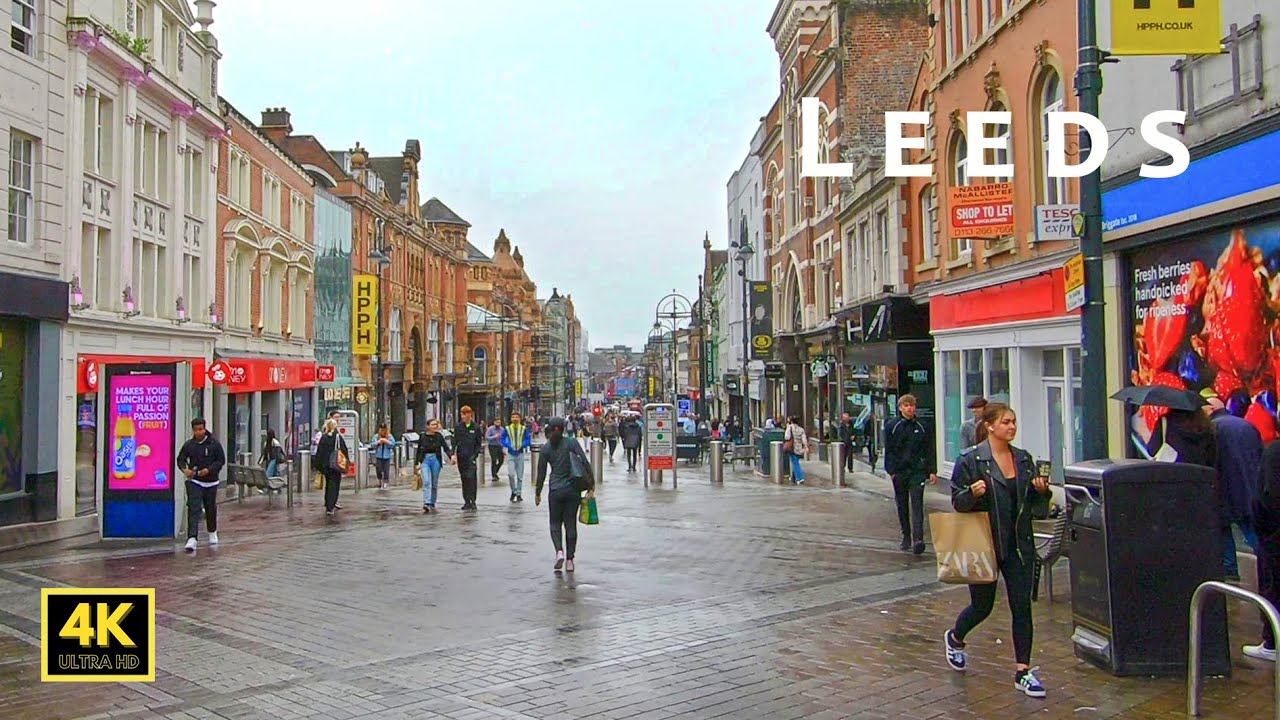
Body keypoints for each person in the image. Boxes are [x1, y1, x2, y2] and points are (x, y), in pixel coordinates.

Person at [944, 402, 1052, 698]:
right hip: (983, 543)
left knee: (1022, 608)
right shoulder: (970, 460)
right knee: (982, 607)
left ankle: (1023, 671)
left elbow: (1035, 509)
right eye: (1006, 422)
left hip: (1018, 546)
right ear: (990, 425)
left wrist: (1042, 492)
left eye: (1014, 422)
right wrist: (972, 493)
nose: (1012, 427)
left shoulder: (1024, 460)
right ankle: (955, 637)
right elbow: (957, 502)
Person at [1207, 394, 1264, 581]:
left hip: (1228, 488)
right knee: (1253, 529)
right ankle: (1264, 563)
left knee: (1225, 528)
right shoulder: (1245, 425)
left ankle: (1230, 569)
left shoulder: (1214, 429)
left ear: (1211, 410)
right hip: (1252, 484)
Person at [535, 417, 595, 572]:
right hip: (573, 490)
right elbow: (585, 463)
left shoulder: (546, 448)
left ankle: (559, 551)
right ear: (563, 428)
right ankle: (570, 560)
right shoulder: (572, 443)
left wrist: (538, 492)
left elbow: (541, 473)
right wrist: (591, 485)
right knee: (570, 524)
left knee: (555, 523)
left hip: (555, 490)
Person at [884, 394, 938, 554]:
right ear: (900, 408)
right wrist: (891, 470)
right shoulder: (892, 426)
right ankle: (906, 535)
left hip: (917, 471)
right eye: (906, 405)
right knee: (902, 504)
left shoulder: (923, 425)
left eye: (912, 405)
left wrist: (931, 470)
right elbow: (889, 449)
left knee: (917, 504)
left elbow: (929, 449)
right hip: (900, 471)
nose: (910, 408)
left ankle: (918, 538)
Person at [1246, 437, 1280, 661]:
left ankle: (1272, 641)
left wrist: (1263, 530)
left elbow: (1267, 497)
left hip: (1274, 535)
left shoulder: (1274, 452)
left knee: (1273, 586)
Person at [177, 418, 226, 553]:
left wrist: (209, 470)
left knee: (210, 508)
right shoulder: (189, 445)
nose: (199, 432)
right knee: (193, 507)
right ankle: (192, 537)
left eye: (201, 429)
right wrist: (185, 469)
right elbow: (180, 459)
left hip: (211, 481)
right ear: (193, 430)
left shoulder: (214, 444)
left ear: (205, 429)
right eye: (196, 430)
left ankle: (212, 531)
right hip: (195, 481)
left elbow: (221, 460)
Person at [415, 418, 453, 513]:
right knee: (427, 481)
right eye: (432, 425)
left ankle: (432, 502)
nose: (434, 426)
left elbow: (445, 448)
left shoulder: (439, 436)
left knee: (434, 483)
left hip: (436, 459)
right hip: (425, 460)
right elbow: (419, 450)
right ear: (428, 426)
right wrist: (417, 463)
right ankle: (426, 502)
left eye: (435, 424)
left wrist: (451, 456)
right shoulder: (423, 436)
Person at [314, 418, 349, 516]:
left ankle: (327, 503)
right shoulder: (337, 437)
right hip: (335, 465)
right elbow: (344, 450)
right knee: (334, 486)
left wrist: (318, 466)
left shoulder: (324, 437)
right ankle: (331, 505)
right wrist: (346, 463)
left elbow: (319, 452)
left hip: (326, 466)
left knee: (328, 484)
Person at [454, 406, 484, 511]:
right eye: (463, 414)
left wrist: (475, 455)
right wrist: (454, 455)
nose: (465, 416)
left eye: (467, 414)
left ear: (470, 414)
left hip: (471, 457)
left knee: (472, 478)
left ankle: (473, 500)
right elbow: (455, 441)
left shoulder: (475, 427)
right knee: (464, 479)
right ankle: (466, 501)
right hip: (461, 457)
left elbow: (478, 443)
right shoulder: (458, 427)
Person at [502, 413, 532, 502]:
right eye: (513, 417)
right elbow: (502, 438)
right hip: (511, 453)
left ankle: (519, 493)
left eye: (517, 417)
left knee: (520, 476)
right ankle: (514, 491)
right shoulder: (507, 428)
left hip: (520, 453)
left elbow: (528, 439)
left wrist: (524, 445)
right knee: (511, 474)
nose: (515, 418)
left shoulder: (523, 428)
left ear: (519, 419)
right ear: (511, 419)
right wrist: (507, 444)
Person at [783, 416, 808, 485]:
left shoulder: (790, 427)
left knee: (795, 463)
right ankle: (793, 477)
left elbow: (787, 437)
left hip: (792, 448)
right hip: (799, 448)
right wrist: (806, 447)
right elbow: (804, 440)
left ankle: (800, 478)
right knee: (795, 461)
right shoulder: (801, 429)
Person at [371, 424, 396, 490]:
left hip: (386, 456)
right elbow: (372, 444)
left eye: (384, 429)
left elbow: (393, 444)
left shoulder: (389, 436)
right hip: (378, 456)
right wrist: (378, 442)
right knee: (378, 469)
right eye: (381, 429)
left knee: (386, 470)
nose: (382, 430)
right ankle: (380, 481)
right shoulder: (376, 436)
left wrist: (387, 442)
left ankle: (385, 482)